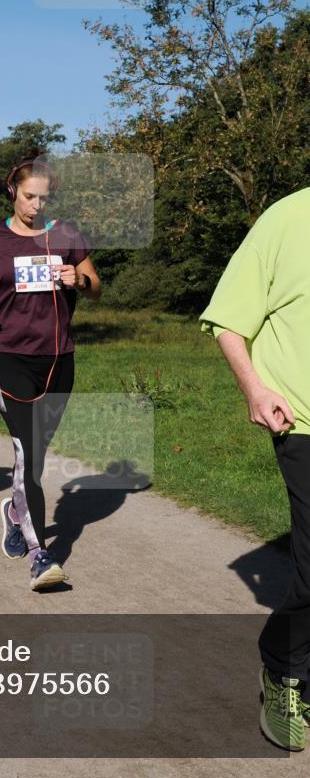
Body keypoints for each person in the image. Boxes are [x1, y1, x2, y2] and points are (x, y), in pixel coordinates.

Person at [200, 187, 310, 752]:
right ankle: (283, 665)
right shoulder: (287, 218)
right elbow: (228, 319)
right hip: (303, 419)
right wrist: (254, 388)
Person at [0, 158, 101, 591]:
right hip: (6, 354)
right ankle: (40, 555)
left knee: (37, 455)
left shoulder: (66, 235)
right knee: (27, 453)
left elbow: (94, 284)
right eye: (30, 196)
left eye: (44, 197)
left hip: (58, 357)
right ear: (13, 191)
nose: (36, 204)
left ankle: (14, 511)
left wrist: (77, 281)